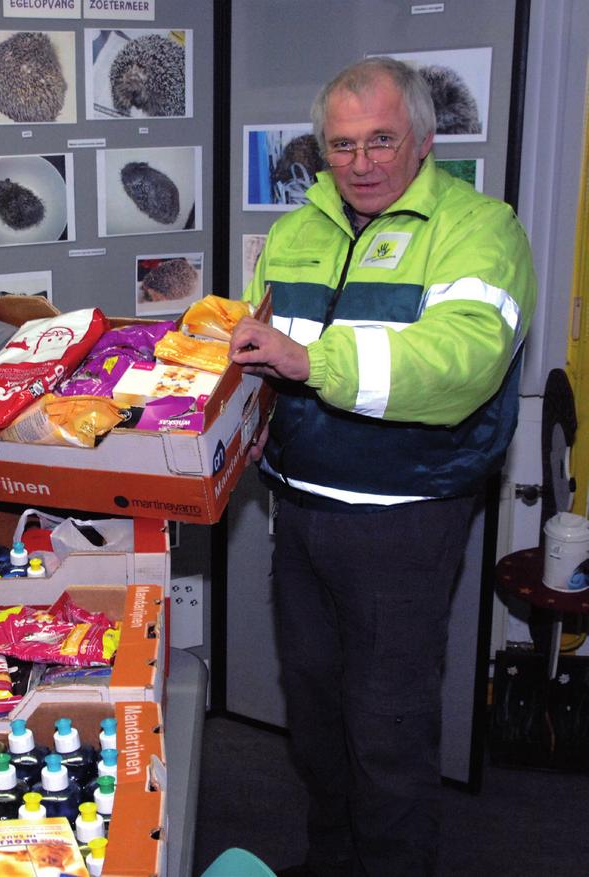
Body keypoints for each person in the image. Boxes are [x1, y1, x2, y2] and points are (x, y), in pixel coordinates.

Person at [231, 57, 536, 876]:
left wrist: (310, 363)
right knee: (317, 716)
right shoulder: (296, 230)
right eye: (341, 145)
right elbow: (260, 353)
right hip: (294, 511)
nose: (361, 162)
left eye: (381, 141)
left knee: (387, 730)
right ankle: (332, 860)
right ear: (319, 149)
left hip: (403, 520)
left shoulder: (480, 228)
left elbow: (460, 361)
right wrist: (248, 419)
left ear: (424, 140)